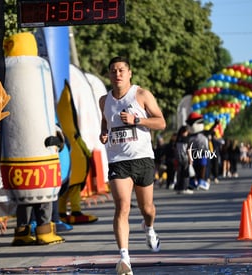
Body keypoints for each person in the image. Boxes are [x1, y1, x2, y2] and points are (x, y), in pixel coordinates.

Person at [99, 56, 166, 275]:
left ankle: (149, 228)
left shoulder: (141, 95)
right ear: (109, 75)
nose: (117, 74)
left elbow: (161, 122)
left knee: (147, 209)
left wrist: (137, 121)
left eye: (121, 70)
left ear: (129, 73)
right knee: (122, 207)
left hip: (143, 158)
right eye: (113, 71)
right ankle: (124, 259)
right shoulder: (104, 100)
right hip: (118, 160)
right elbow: (106, 120)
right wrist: (103, 133)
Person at [175, 126, 194, 194]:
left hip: (178, 158)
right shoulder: (187, 139)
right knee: (185, 173)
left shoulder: (178, 139)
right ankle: (185, 188)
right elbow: (188, 150)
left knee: (179, 174)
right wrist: (190, 158)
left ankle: (179, 188)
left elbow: (176, 149)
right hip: (185, 158)